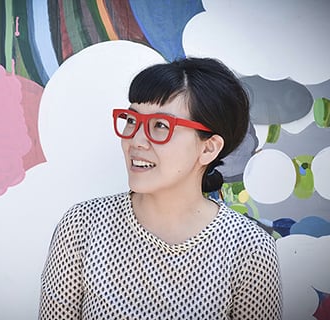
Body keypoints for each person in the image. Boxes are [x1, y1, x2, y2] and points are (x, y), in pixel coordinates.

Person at [39, 57, 282, 319]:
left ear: (208, 148)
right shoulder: (82, 226)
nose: (136, 140)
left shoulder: (249, 248)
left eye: (161, 126)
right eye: (131, 120)